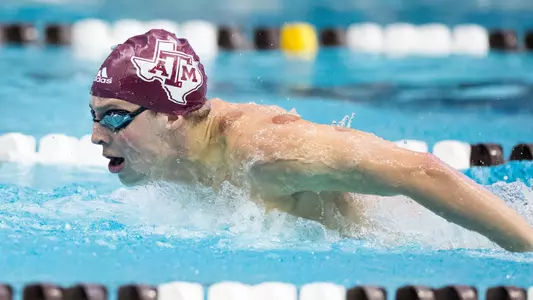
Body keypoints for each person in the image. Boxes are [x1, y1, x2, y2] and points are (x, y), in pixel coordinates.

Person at [89, 28, 533, 252]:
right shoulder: (175, 155)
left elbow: (421, 171)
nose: (95, 135)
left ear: (171, 115)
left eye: (113, 117)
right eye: (94, 116)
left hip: (425, 238)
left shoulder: (262, 153)